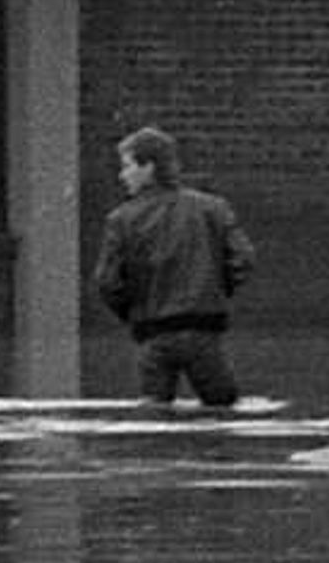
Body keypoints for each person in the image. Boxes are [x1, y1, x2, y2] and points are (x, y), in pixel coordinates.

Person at [94, 125, 257, 405]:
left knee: (154, 415)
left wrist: (133, 311)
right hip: (203, 333)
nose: (122, 176)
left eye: (127, 166)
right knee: (222, 410)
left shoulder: (122, 220)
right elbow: (243, 259)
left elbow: (108, 281)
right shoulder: (213, 209)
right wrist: (215, 290)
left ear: (149, 167)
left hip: (153, 335)